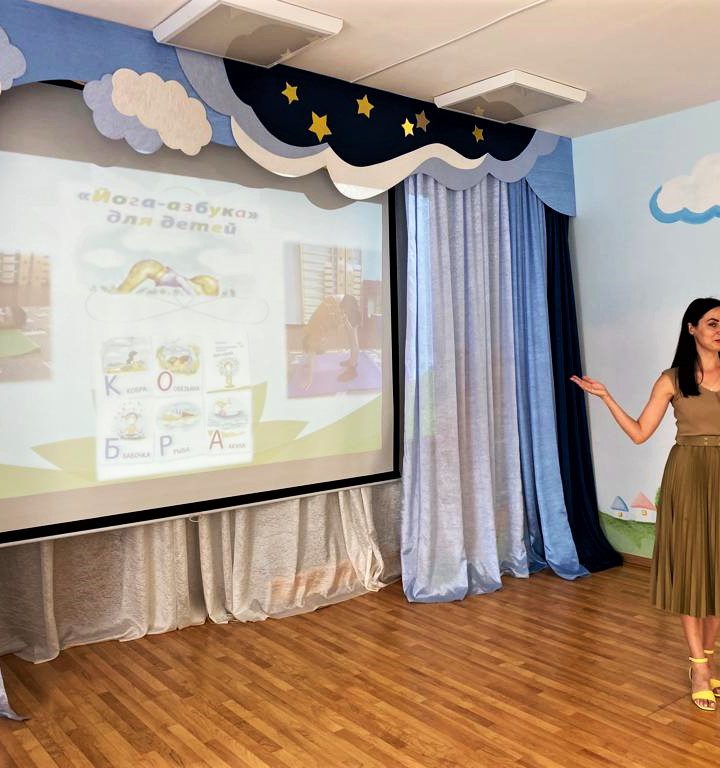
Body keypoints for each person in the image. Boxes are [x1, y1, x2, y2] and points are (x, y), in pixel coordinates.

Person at [571, 297, 720, 712]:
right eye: (712, 322)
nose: (719, 330)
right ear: (691, 328)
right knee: (693, 571)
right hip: (689, 476)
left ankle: (709, 660)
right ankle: (699, 668)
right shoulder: (672, 379)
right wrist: (606, 397)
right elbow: (639, 433)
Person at [301, 294, 361, 390]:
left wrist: (309, 380)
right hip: (342, 302)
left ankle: (352, 370)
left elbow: (311, 351)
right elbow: (310, 350)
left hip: (346, 304)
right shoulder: (310, 330)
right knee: (351, 335)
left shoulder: (314, 332)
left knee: (353, 336)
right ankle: (351, 361)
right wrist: (308, 363)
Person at [115, 259, 219, 296]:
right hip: (154, 271)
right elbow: (179, 279)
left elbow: (177, 279)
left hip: (156, 271)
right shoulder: (189, 285)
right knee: (123, 290)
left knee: (124, 289)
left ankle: (117, 293)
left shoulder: (189, 283)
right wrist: (193, 295)